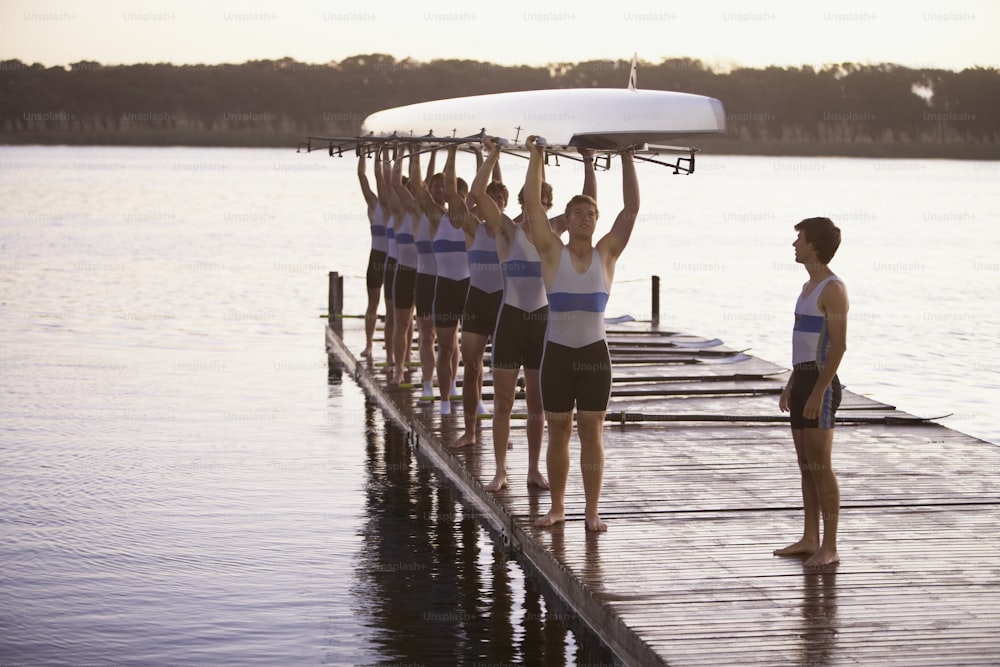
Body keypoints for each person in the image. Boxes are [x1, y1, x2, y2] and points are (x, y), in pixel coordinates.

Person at [525, 135, 639, 533]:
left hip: (594, 357)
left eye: (591, 213)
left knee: (591, 432)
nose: (585, 218)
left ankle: (591, 510)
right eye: (578, 213)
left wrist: (626, 157)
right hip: (556, 356)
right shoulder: (551, 252)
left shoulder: (607, 253)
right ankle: (557, 508)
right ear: (568, 220)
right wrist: (537, 155)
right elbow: (533, 208)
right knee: (559, 431)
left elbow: (631, 209)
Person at [471, 137, 596, 493]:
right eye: (530, 199)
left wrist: (588, 162)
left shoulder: (554, 231)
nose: (535, 206)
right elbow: (479, 195)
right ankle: (499, 470)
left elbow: (588, 205)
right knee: (505, 403)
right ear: (523, 200)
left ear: (547, 205)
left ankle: (533, 469)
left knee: (538, 404)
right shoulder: (506, 230)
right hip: (509, 321)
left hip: (543, 324)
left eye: (542, 201)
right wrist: (493, 153)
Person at [775, 217, 848, 568]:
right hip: (802, 379)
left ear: (814, 245)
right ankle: (809, 538)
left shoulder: (833, 288)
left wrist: (819, 392)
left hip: (821, 383)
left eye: (799, 239)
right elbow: (801, 343)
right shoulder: (806, 287)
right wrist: (791, 384)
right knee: (805, 465)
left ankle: (830, 546)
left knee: (821, 466)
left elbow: (838, 348)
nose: (794, 245)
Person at [449, 147, 504, 449]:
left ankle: (500, 431)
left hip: (502, 304)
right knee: (471, 369)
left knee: (502, 373)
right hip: (476, 302)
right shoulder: (472, 228)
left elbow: (534, 200)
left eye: (499, 201)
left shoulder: (513, 230)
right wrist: (489, 156)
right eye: (489, 201)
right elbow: (464, 195)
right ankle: (470, 431)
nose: (493, 206)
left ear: (505, 205)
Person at [433, 147, 473, 414]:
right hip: (445, 287)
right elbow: (445, 181)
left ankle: (473, 399)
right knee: (446, 345)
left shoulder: (474, 222)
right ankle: (445, 399)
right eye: (452, 195)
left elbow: (495, 187)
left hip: (469, 288)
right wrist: (451, 150)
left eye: (462, 196)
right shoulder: (437, 217)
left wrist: (484, 155)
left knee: (471, 354)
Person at [388, 145, 418, 386]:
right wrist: (402, 154)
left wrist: (419, 155)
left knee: (422, 326)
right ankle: (399, 367)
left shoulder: (425, 215)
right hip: (405, 272)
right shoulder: (398, 213)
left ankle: (412, 360)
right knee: (402, 322)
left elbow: (421, 181)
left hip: (426, 274)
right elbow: (395, 182)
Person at [356, 147, 387, 359]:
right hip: (377, 258)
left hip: (396, 260)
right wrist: (368, 153)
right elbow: (362, 176)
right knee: (373, 303)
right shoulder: (373, 204)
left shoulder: (400, 209)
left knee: (397, 309)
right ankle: (368, 345)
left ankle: (392, 348)